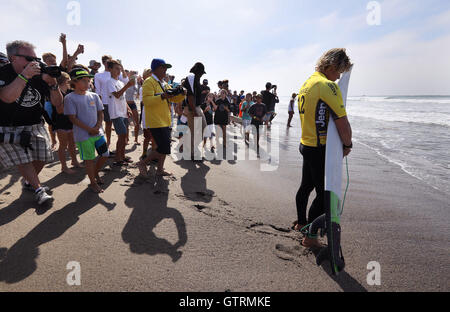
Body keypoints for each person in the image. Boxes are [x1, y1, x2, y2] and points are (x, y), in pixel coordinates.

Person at [294, 48, 353, 248]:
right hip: (319, 150)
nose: (338, 78)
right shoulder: (327, 85)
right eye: (338, 72)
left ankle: (301, 222)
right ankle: (310, 237)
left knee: (305, 187)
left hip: (306, 144)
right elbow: (342, 122)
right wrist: (347, 144)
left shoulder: (307, 83)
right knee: (323, 194)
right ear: (331, 66)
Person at [0, 40, 63, 205]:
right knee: (24, 159)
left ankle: (29, 182)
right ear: (13, 58)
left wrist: (53, 84)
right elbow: (7, 97)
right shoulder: (3, 73)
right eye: (29, 58)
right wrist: (24, 76)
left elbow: (57, 103)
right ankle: (38, 189)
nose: (35, 63)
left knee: (43, 157)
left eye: (36, 59)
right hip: (9, 127)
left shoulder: (39, 74)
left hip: (36, 124)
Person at [137, 58, 185, 177]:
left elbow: (173, 98)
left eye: (166, 68)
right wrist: (163, 96)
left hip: (165, 119)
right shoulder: (149, 81)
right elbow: (146, 101)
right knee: (163, 147)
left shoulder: (164, 83)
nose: (165, 70)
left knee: (165, 147)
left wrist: (182, 94)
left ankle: (160, 169)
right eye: (163, 67)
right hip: (155, 120)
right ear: (156, 69)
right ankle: (142, 163)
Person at [64, 68, 109, 193]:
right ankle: (93, 182)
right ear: (74, 82)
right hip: (83, 136)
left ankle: (95, 173)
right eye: (84, 80)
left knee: (105, 154)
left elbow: (100, 113)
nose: (87, 83)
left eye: (88, 80)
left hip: (97, 132)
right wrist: (89, 129)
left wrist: (98, 126)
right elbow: (72, 118)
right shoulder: (70, 98)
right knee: (89, 160)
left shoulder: (94, 96)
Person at [106, 60, 135, 166]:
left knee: (124, 136)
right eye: (116, 68)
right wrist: (127, 86)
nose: (118, 71)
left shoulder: (120, 82)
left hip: (123, 112)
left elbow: (122, 98)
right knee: (122, 135)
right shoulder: (109, 82)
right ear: (109, 69)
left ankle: (122, 156)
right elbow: (117, 95)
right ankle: (118, 158)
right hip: (115, 113)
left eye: (119, 68)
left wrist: (128, 108)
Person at [53, 72, 82, 174]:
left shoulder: (70, 91)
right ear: (66, 81)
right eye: (69, 80)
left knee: (72, 143)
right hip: (61, 121)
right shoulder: (56, 91)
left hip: (70, 121)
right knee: (63, 145)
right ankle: (64, 167)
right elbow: (59, 110)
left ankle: (74, 161)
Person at [182, 62, 207, 160]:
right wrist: (194, 111)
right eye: (201, 73)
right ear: (198, 71)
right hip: (192, 107)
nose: (202, 75)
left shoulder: (195, 78)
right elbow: (190, 96)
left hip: (197, 107)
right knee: (193, 131)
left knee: (204, 129)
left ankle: (190, 148)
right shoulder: (191, 77)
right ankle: (192, 154)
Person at [94, 55, 114, 149]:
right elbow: (98, 91)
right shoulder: (98, 75)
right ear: (103, 62)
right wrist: (99, 104)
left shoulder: (116, 74)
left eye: (109, 60)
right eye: (105, 61)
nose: (107, 62)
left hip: (117, 102)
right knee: (108, 123)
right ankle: (108, 142)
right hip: (105, 102)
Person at [125, 70, 140, 145]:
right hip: (125, 104)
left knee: (136, 122)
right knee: (126, 123)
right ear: (129, 74)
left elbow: (137, 94)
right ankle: (126, 139)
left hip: (133, 103)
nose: (134, 75)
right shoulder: (125, 81)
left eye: (135, 74)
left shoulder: (136, 83)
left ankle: (136, 139)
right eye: (132, 74)